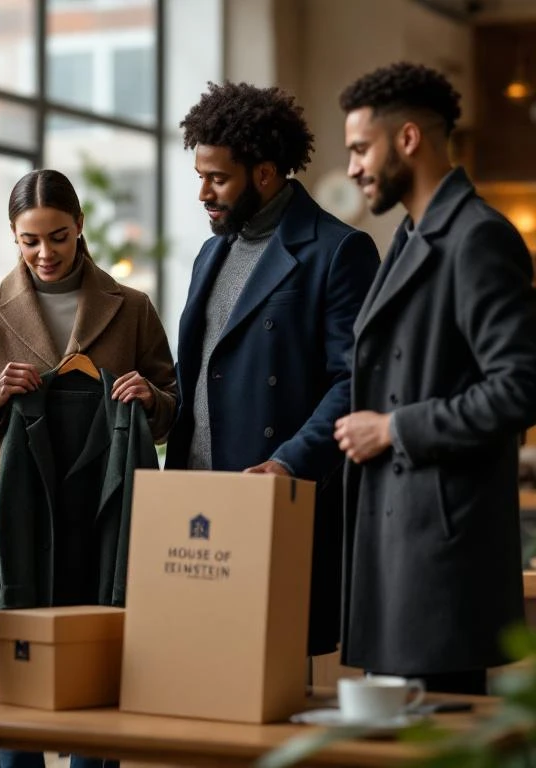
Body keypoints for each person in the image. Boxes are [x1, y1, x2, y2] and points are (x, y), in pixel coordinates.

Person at [0, 168, 177, 768]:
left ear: (79, 227)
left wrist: (151, 400)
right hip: (17, 516)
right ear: (13, 236)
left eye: (58, 237)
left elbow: (171, 410)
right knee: (16, 693)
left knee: (98, 685)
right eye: (30, 240)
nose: (45, 253)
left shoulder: (131, 308)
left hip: (103, 511)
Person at [336, 62, 536, 694]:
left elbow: (521, 386)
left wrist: (394, 428)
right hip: (401, 542)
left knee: (432, 732)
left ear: (408, 139)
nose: (352, 168)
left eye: (361, 149)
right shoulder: (408, 238)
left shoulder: (478, 238)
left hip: (439, 554)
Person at [164, 82, 379, 661]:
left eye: (217, 178)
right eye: (200, 176)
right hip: (197, 505)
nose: (203, 193)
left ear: (263, 173)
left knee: (271, 680)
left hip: (273, 500)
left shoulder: (338, 250)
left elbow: (355, 381)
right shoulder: (210, 253)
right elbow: (198, 372)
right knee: (194, 674)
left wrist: (289, 463)